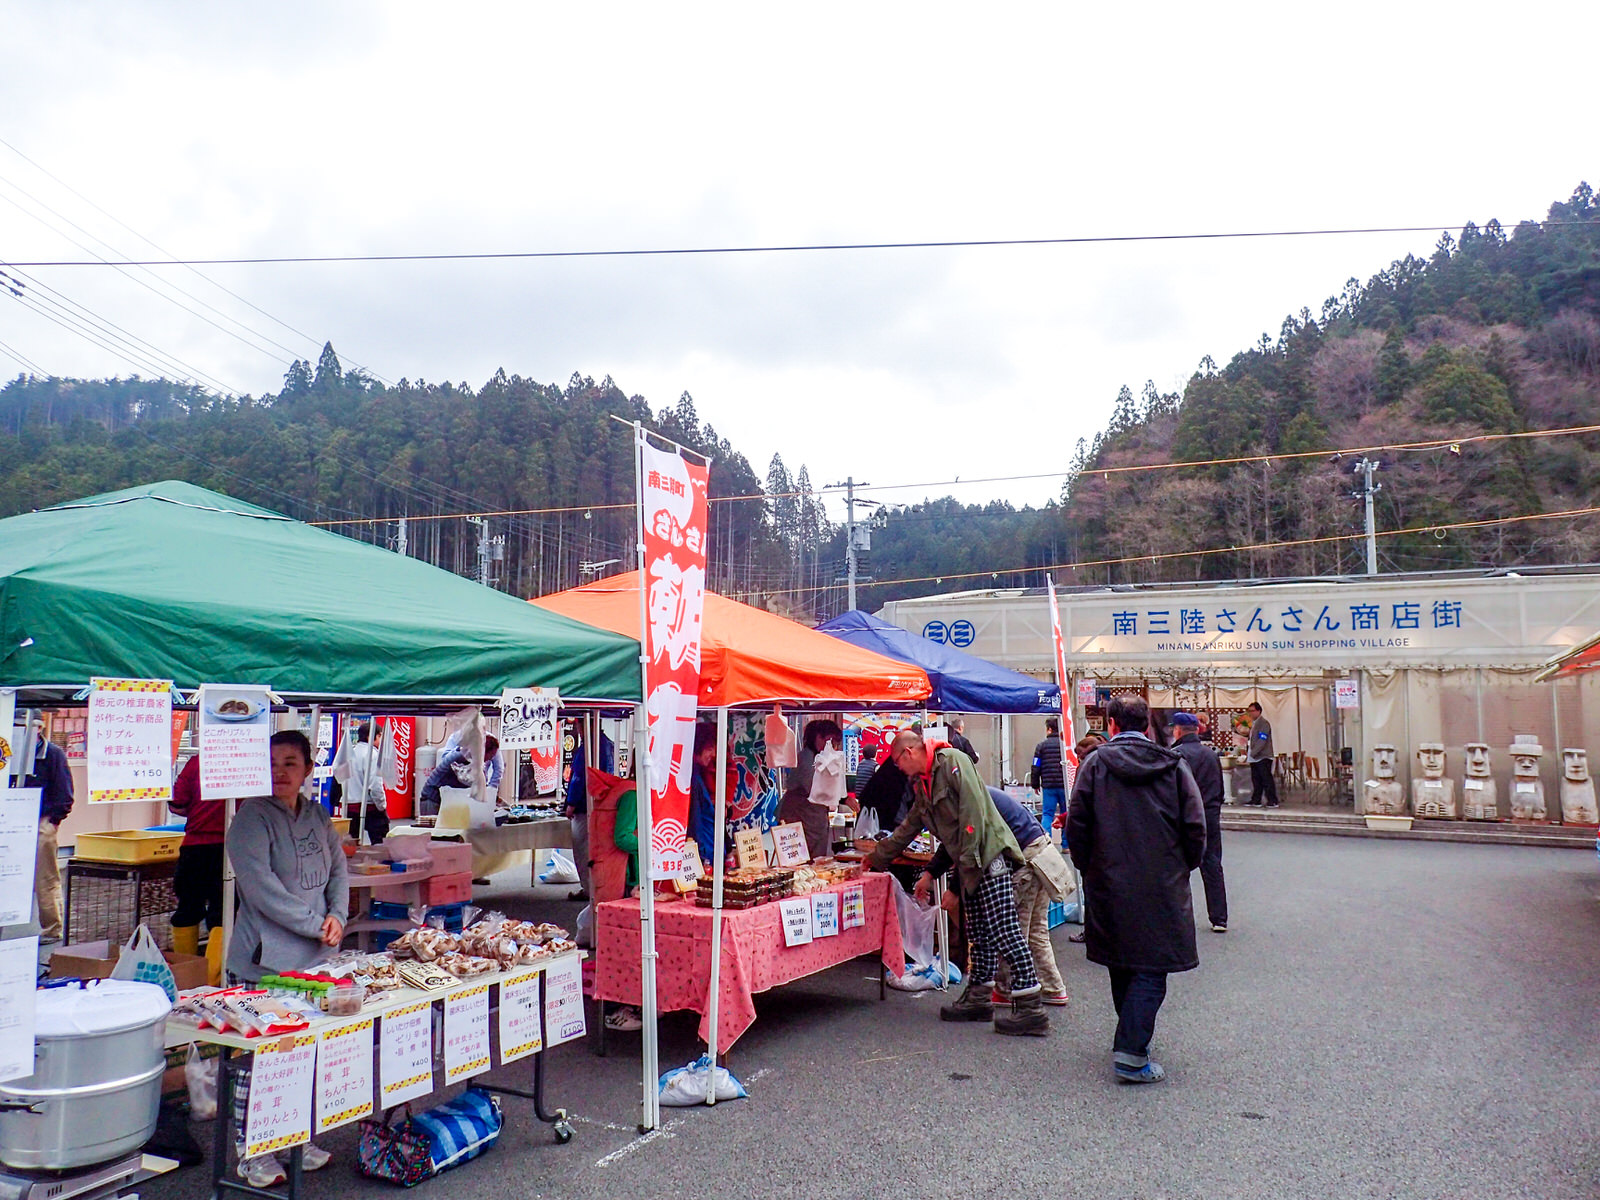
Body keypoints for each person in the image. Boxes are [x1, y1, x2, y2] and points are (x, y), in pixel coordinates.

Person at [859, 729, 1047, 1036]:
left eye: (896, 762)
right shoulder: (922, 784)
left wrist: (957, 882)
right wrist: (877, 858)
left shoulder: (952, 762)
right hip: (969, 861)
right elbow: (908, 828)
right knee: (980, 932)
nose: (897, 768)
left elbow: (972, 819)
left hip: (989, 856)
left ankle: (1031, 1006)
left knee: (1004, 929)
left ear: (908, 753)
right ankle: (979, 997)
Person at [226, 730, 347, 1186]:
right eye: (273, 763)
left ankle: (295, 1137)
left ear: (308, 770)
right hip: (264, 960)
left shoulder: (317, 814)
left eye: (291, 763)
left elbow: (338, 870)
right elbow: (261, 889)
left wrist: (337, 914)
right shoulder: (251, 819)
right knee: (258, 1059)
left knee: (303, 1053)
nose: (280, 772)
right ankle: (250, 1150)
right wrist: (315, 923)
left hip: (314, 960)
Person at [1066, 695, 1205, 1084]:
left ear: (1111, 724)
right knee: (1151, 965)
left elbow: (1077, 825)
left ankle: (1131, 1039)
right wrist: (1182, 866)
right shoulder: (1174, 765)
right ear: (1148, 725)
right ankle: (1131, 1050)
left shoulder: (1094, 765)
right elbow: (1196, 828)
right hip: (1161, 882)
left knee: (1122, 960)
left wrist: (1088, 866)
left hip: (1108, 880)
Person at [916, 784, 1071, 1006]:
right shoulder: (977, 792)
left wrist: (952, 889)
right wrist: (931, 873)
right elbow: (957, 845)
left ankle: (1007, 991)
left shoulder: (966, 802)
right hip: (1042, 854)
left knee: (1010, 931)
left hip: (1024, 860)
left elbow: (967, 847)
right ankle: (1053, 988)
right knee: (1035, 930)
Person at [586, 765, 645, 1030]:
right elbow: (622, 837)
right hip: (616, 875)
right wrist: (652, 844)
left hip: (606, 870)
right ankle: (619, 1007)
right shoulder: (632, 795)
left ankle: (616, 1002)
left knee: (613, 941)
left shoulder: (620, 790)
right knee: (622, 944)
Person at [1169, 712, 1227, 932]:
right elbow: (1220, 788)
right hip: (1209, 814)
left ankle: (1176, 917)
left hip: (1182, 815)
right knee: (1212, 864)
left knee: (1176, 866)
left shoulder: (1175, 755)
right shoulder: (1211, 755)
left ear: (1177, 730)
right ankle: (1219, 918)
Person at [168, 755, 224, 958]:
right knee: (224, 913)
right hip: (232, 849)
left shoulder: (197, 762)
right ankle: (213, 977)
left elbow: (177, 804)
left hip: (194, 848)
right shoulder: (251, 762)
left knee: (188, 909)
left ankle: (187, 973)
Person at [26, 723, 74, 943]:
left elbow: (64, 792)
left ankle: (52, 928)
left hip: (42, 818)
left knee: (45, 876)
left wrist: (53, 820)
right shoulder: (9, 748)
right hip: (12, 815)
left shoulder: (53, 753)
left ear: (39, 727)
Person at [419, 734, 500, 816]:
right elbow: (468, 781)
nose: (490, 758)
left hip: (444, 799)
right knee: (431, 827)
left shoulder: (470, 758)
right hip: (432, 798)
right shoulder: (462, 758)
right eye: (491, 755)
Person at [338, 722, 389, 843]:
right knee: (379, 843)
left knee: (352, 843)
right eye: (380, 736)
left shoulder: (350, 752)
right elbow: (375, 784)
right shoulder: (372, 754)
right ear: (372, 736)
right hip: (369, 805)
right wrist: (382, 805)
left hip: (349, 804)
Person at [1030, 717, 1067, 850]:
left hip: (1048, 786)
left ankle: (1047, 845)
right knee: (1066, 814)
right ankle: (1066, 845)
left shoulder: (1041, 746)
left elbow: (1036, 766)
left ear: (1049, 729)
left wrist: (1035, 784)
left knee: (1047, 814)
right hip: (1065, 786)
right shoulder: (1065, 745)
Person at [688, 723, 720, 868]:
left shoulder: (700, 774)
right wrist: (700, 855)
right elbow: (695, 819)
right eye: (709, 749)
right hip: (704, 852)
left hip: (709, 847)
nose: (713, 755)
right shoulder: (692, 778)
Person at [564, 726, 590, 902]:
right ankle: (590, 887)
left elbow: (578, 779)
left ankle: (587, 889)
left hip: (583, 808)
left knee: (582, 849)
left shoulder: (586, 748)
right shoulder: (606, 744)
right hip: (595, 805)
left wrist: (571, 804)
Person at [1244, 702, 1279, 808]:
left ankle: (1272, 800)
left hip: (1262, 756)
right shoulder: (1253, 724)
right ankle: (1256, 799)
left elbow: (1262, 740)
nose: (1250, 713)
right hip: (1254, 757)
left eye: (1252, 711)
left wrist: (1254, 752)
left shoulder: (1263, 723)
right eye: (1249, 711)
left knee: (1266, 779)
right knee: (1256, 779)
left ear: (1258, 711)